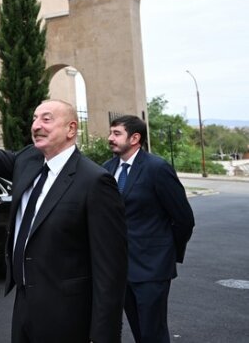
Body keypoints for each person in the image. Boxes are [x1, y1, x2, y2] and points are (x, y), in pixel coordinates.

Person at [0, 70, 127, 343]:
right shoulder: (27, 160)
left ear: (71, 129)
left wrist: (104, 336)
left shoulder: (95, 181)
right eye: (35, 118)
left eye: (47, 119)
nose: (36, 125)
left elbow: (110, 269)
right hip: (24, 303)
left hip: (68, 314)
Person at [104, 115, 195, 343]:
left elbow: (183, 218)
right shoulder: (107, 168)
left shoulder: (157, 168)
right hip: (119, 268)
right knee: (137, 330)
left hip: (152, 268)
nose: (110, 138)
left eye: (117, 134)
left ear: (135, 138)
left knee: (152, 333)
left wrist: (166, 252)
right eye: (111, 133)